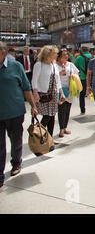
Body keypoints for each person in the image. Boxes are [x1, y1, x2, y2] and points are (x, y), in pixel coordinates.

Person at [0, 42, 38, 188]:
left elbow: (26, 88)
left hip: (15, 112)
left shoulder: (16, 66)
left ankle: (16, 162)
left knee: (16, 140)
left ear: (3, 53)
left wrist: (33, 106)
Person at [32, 45, 64, 138]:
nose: (56, 55)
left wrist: (61, 93)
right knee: (47, 116)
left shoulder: (53, 65)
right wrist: (35, 92)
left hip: (54, 94)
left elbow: (57, 80)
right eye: (55, 53)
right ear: (48, 54)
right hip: (43, 94)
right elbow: (34, 80)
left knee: (52, 115)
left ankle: (50, 138)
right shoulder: (39, 64)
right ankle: (38, 135)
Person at [55, 49, 79, 138]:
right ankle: (61, 128)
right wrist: (59, 74)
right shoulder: (54, 65)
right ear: (59, 56)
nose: (66, 56)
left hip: (70, 89)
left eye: (67, 55)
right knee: (61, 109)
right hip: (60, 89)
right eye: (64, 55)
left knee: (68, 108)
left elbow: (77, 73)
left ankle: (65, 127)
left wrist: (73, 76)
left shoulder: (70, 65)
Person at [74, 46, 92, 115]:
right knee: (94, 93)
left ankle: (83, 109)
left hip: (83, 78)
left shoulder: (79, 57)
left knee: (82, 94)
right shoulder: (93, 56)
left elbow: (74, 66)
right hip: (92, 78)